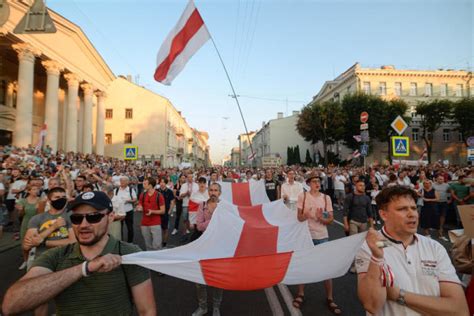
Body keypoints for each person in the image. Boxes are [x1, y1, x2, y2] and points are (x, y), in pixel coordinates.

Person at [2, 190, 157, 316]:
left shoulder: (129, 253)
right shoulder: (56, 256)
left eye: (93, 217)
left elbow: (147, 311)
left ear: (110, 217)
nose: (83, 225)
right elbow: (11, 304)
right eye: (76, 218)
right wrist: (85, 268)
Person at [356, 186, 468, 315]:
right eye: (402, 209)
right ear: (383, 215)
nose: (412, 214)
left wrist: (399, 295)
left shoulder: (434, 247)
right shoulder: (369, 247)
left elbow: (459, 309)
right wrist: (377, 257)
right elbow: (372, 305)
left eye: (414, 208)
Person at [293, 173, 341, 314]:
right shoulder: (303, 197)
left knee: (326, 268)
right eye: (314, 181)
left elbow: (330, 219)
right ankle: (301, 294)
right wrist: (305, 215)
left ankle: (330, 298)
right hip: (306, 236)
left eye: (319, 181)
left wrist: (322, 218)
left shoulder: (326, 198)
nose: (317, 183)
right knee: (304, 265)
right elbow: (299, 218)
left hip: (322, 236)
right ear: (308, 183)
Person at [193, 183, 224, 316]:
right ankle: (203, 306)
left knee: (218, 279)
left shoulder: (225, 207)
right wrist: (214, 220)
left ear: (220, 193)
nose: (213, 192)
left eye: (216, 190)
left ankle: (216, 307)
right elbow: (199, 226)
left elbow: (227, 226)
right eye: (211, 190)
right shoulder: (202, 206)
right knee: (200, 279)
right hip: (203, 246)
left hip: (219, 247)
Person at [16, 185, 42, 270]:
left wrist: (39, 207)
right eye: (34, 189)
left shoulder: (40, 200)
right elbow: (20, 215)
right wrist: (20, 210)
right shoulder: (23, 201)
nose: (36, 191)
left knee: (36, 243)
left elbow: (40, 215)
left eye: (37, 189)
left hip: (37, 225)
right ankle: (25, 261)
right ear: (29, 191)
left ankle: (35, 263)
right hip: (26, 223)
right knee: (25, 243)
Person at [137, 177, 165, 250]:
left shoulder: (159, 195)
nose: (143, 185)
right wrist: (139, 208)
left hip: (155, 223)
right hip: (144, 223)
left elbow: (163, 211)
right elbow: (140, 205)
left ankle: (157, 261)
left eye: (145, 183)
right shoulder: (142, 195)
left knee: (157, 245)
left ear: (150, 185)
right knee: (148, 245)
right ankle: (150, 260)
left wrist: (152, 211)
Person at [114, 176, 137, 243]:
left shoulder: (130, 190)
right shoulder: (116, 190)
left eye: (123, 181)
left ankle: (130, 242)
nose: (122, 182)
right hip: (119, 212)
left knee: (130, 228)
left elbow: (135, 199)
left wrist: (128, 201)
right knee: (119, 228)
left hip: (128, 211)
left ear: (127, 182)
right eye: (121, 181)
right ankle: (120, 242)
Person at [157, 178, 175, 248]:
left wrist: (170, 211)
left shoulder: (169, 191)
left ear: (166, 183)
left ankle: (164, 243)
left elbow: (172, 202)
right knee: (158, 229)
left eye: (163, 182)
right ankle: (158, 242)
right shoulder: (157, 191)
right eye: (161, 182)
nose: (162, 183)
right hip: (157, 212)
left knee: (165, 229)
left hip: (166, 213)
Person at [432, 174, 450, 241]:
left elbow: (449, 193)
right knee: (436, 215)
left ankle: (440, 227)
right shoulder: (433, 185)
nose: (441, 180)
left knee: (443, 215)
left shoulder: (447, 185)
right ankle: (436, 226)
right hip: (436, 202)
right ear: (436, 179)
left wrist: (449, 200)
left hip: (444, 202)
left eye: (442, 179)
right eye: (439, 179)